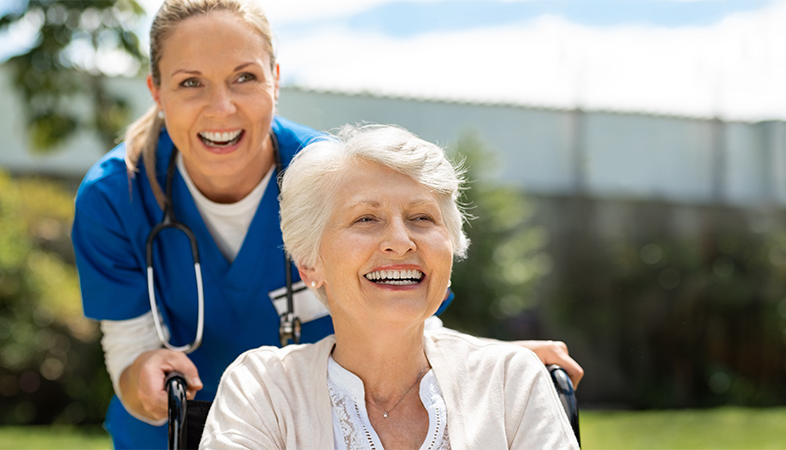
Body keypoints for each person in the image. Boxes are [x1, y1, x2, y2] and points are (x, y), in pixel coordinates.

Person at [71, 0, 583, 447]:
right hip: (173, 428)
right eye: (190, 83)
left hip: (318, 424)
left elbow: (400, 297)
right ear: (156, 91)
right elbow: (129, 346)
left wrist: (493, 370)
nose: (221, 107)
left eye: (244, 77)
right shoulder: (114, 197)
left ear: (275, 79)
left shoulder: (335, 179)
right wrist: (142, 375)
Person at [200, 124, 580, 449]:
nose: (401, 242)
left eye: (422, 217)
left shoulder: (510, 381)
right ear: (309, 264)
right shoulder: (261, 389)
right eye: (366, 218)